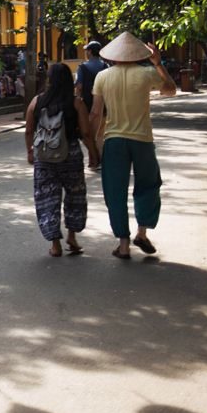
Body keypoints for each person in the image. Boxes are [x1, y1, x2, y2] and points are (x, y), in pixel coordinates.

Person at [90, 32, 177, 259]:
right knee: (148, 185)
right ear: (136, 54)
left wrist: (91, 144)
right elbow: (170, 90)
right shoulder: (147, 73)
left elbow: (96, 113)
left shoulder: (102, 76)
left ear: (113, 56)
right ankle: (142, 233)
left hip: (114, 140)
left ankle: (124, 244)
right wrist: (158, 64)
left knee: (114, 190)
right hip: (142, 140)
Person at [25, 64, 98, 257]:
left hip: (44, 156)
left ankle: (55, 244)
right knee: (75, 196)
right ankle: (72, 237)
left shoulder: (37, 101)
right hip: (71, 154)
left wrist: (30, 151)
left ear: (49, 79)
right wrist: (93, 153)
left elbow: (29, 130)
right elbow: (86, 132)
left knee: (47, 198)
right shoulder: (76, 103)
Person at [75, 40, 107, 163]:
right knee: (100, 135)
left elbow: (79, 86)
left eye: (87, 50)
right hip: (104, 106)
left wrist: (77, 103)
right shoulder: (105, 67)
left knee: (88, 134)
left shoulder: (82, 67)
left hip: (87, 107)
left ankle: (93, 160)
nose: (86, 53)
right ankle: (100, 158)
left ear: (90, 51)